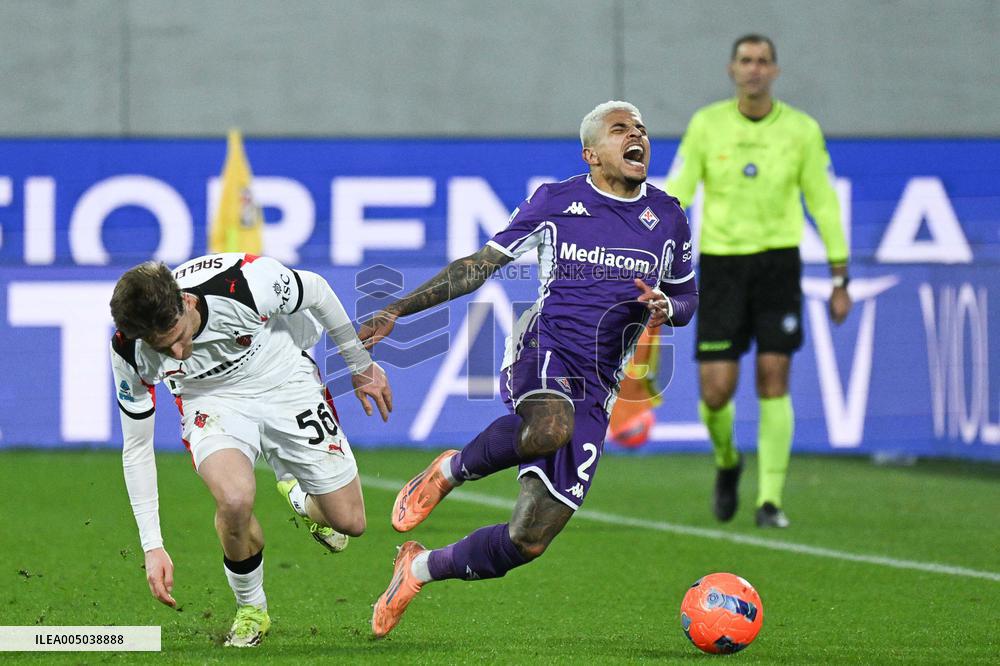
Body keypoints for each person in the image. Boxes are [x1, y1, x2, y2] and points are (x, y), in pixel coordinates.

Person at [361, 101, 698, 638]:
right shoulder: (558, 201)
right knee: (547, 428)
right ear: (591, 154)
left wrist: (667, 308)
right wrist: (399, 308)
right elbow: (479, 266)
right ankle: (449, 472)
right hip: (545, 347)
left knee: (529, 538)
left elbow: (686, 296)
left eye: (641, 129)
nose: (637, 136)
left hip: (599, 383)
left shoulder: (670, 217)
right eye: (620, 130)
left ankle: (416, 569)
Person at [109, 252, 392, 647]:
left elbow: (318, 291)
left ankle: (299, 498)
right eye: (163, 348)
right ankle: (251, 608)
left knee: (351, 522)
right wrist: (152, 545)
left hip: (284, 379)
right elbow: (137, 448)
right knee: (235, 499)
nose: (177, 354)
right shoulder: (129, 351)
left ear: (187, 303)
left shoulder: (245, 284)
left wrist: (360, 365)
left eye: (177, 337)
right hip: (211, 400)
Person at [666, 34, 851, 528]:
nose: (754, 70)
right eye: (746, 61)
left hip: (777, 265)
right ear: (732, 69)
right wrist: (646, 243)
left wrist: (840, 274)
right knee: (715, 392)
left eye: (763, 62)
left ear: (775, 71)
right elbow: (677, 192)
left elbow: (824, 201)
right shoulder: (707, 125)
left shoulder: (801, 130)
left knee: (774, 378)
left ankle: (770, 500)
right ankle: (727, 460)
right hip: (722, 265)